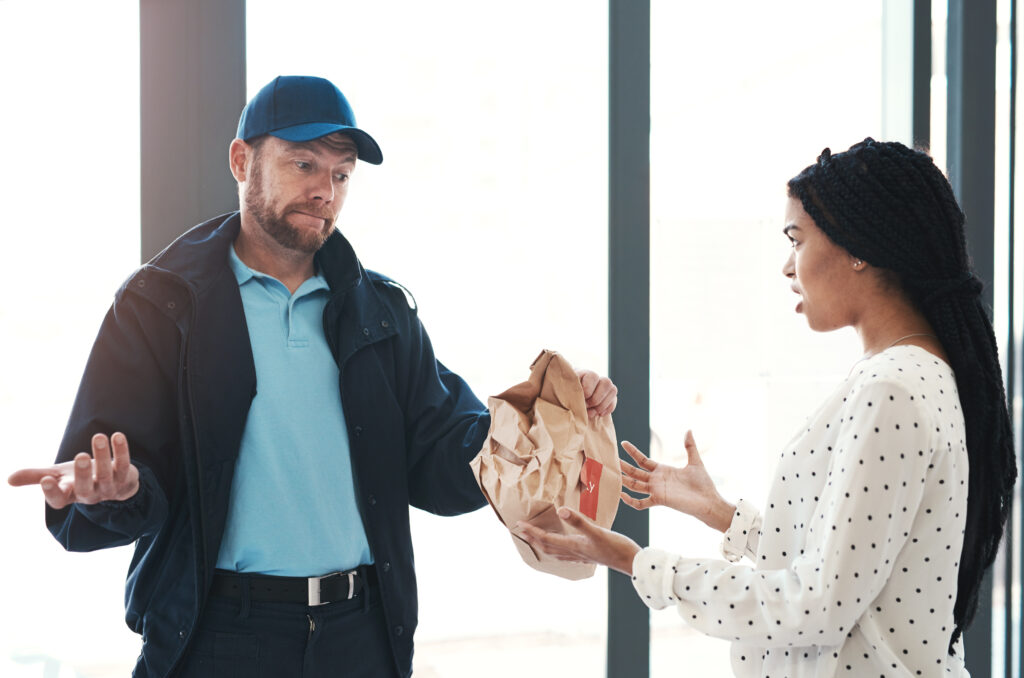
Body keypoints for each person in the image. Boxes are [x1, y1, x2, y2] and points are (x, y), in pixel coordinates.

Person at [7, 75, 618, 678]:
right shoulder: (161, 305)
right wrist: (111, 492)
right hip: (217, 639)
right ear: (241, 160)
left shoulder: (379, 311)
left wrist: (551, 416)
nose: (325, 189)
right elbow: (117, 474)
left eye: (342, 173)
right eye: (304, 164)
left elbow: (442, 451)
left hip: (359, 637)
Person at [517, 138, 1016, 677]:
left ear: (859, 249)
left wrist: (634, 561)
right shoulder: (915, 373)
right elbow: (849, 569)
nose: (786, 266)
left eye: (796, 240)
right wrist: (721, 514)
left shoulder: (891, 388)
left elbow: (816, 605)